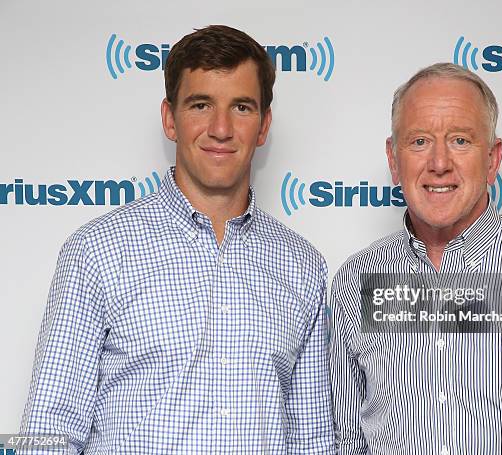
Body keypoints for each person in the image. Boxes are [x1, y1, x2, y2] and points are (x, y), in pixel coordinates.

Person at [21, 25, 334, 454]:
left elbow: (313, 440)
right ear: (170, 119)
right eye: (201, 104)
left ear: (264, 126)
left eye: (241, 107)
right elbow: (48, 432)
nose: (221, 128)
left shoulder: (303, 265)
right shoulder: (97, 251)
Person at [330, 62, 502, 454]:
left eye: (461, 140)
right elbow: (348, 443)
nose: (440, 163)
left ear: (493, 159)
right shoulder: (355, 280)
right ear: (394, 160)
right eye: (419, 142)